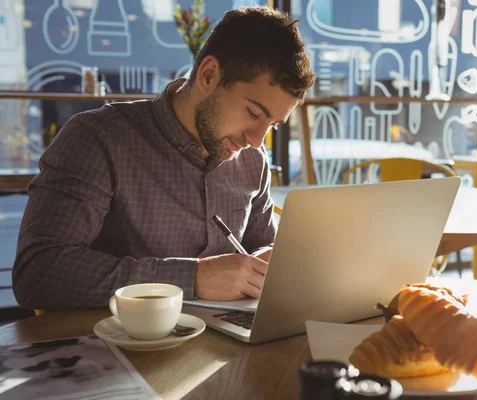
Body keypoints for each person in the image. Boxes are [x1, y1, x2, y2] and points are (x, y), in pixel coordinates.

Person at [12, 6, 316, 310]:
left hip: (223, 347)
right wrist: (193, 278)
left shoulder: (253, 159)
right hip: (115, 347)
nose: (256, 140)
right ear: (208, 75)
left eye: (272, 124)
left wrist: (267, 262)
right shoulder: (98, 139)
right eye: (253, 112)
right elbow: (39, 272)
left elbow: (260, 244)